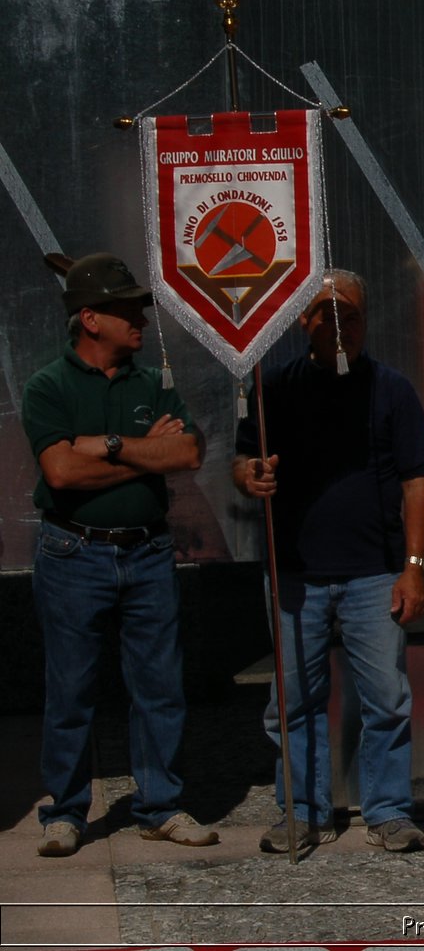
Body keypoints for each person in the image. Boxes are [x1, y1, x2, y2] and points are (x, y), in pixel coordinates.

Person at [24, 252, 217, 857]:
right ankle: (66, 810)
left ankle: (160, 804)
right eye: (125, 307)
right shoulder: (48, 386)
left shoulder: (150, 381)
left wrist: (104, 448)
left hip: (147, 552)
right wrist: (138, 453)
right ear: (89, 319)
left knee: (159, 685)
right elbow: (58, 472)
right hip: (71, 551)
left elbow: (187, 454)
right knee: (71, 687)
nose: (139, 317)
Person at [234, 270, 424, 853]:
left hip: (375, 570)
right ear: (304, 321)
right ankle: (302, 811)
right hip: (295, 571)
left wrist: (415, 565)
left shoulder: (391, 390)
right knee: (292, 703)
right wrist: (250, 477)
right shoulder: (273, 388)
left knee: (387, 698)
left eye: (350, 313)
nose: (339, 323)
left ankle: (389, 810)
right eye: (326, 312)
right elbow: (243, 461)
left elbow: (417, 480)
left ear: (366, 321)